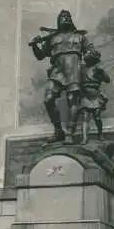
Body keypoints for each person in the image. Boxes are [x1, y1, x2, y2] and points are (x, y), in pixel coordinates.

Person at [29, 10, 94, 144]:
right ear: (58, 21)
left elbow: (91, 51)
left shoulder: (80, 37)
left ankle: (70, 133)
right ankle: (59, 131)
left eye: (68, 16)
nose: (66, 18)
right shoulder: (52, 38)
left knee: (72, 100)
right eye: (63, 17)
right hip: (57, 71)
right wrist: (35, 45)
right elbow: (41, 55)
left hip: (74, 70)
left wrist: (89, 56)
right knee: (48, 99)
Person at [78, 47, 110, 144]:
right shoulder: (81, 68)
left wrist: (102, 71)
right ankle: (84, 138)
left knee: (97, 117)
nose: (86, 56)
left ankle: (100, 134)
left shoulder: (97, 68)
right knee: (85, 117)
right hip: (85, 96)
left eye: (89, 54)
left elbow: (107, 80)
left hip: (96, 96)